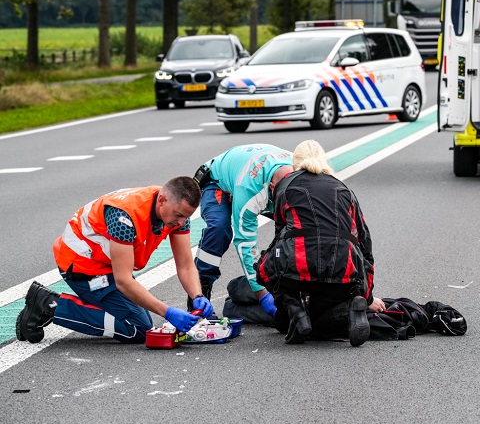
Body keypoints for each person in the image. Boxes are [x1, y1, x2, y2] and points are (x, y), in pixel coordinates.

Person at [16, 177, 212, 345]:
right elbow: (123, 280)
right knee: (138, 329)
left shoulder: (176, 211)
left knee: (140, 316)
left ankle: (91, 301)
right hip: (81, 266)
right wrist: (168, 312)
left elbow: (186, 265)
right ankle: (49, 305)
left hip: (106, 264)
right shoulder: (124, 217)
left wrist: (197, 295)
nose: (181, 222)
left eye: (186, 217)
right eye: (178, 215)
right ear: (162, 200)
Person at [256, 139, 386, 345]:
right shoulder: (344, 190)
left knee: (264, 265)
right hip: (341, 273)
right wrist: (367, 294)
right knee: (321, 313)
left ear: (295, 163)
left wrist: (268, 267)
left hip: (298, 270)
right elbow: (364, 242)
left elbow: (280, 237)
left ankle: (296, 310)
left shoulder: (285, 186)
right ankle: (350, 307)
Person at [191, 144, 293, 320]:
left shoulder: (301, 167)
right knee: (219, 229)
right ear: (272, 188)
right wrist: (261, 293)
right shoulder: (250, 190)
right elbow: (245, 242)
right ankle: (199, 293)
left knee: (292, 227)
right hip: (219, 183)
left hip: (253, 176)